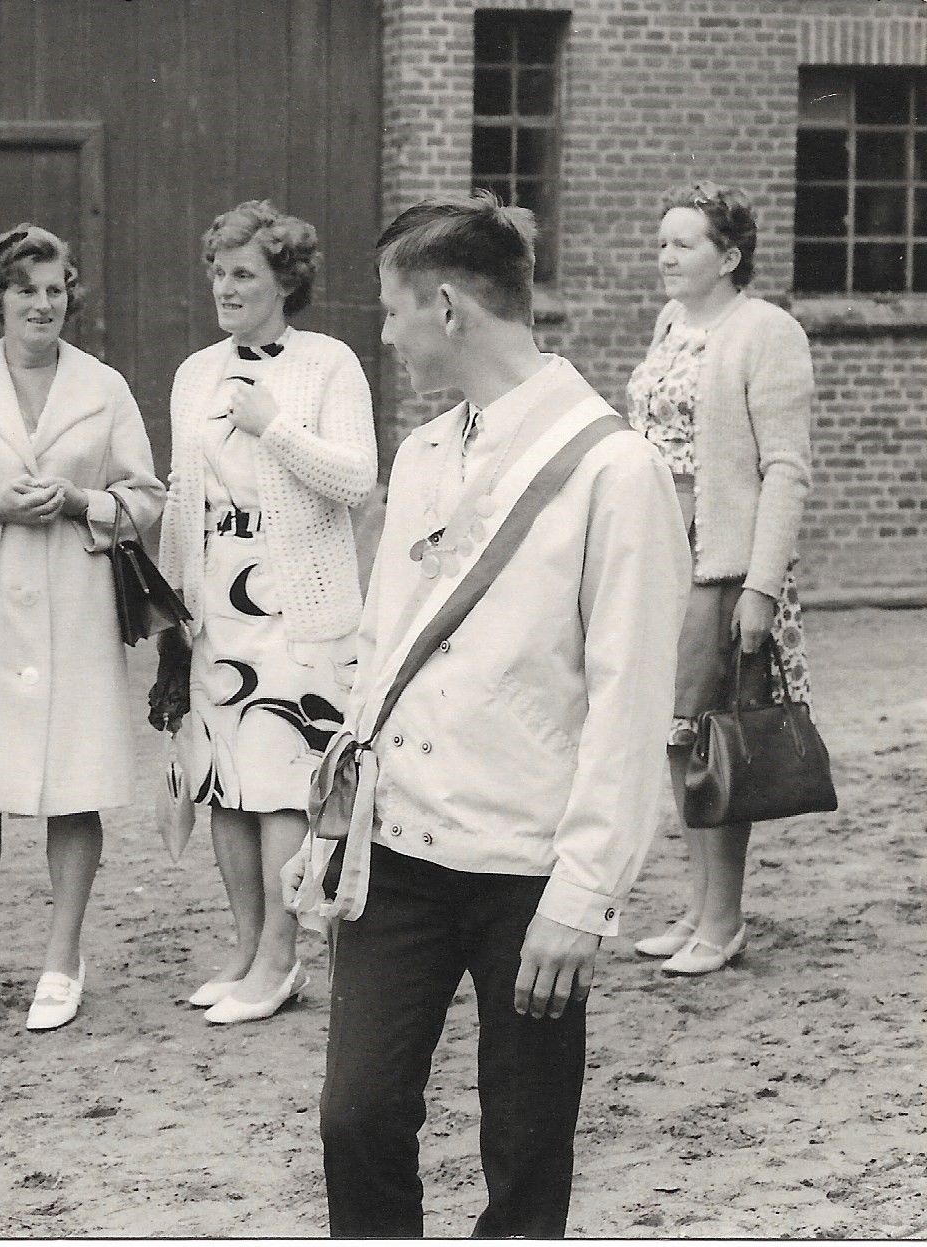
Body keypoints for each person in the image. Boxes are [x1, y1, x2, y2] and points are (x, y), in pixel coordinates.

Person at [286, 193, 690, 1236]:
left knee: (524, 1147)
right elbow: (385, 651)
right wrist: (337, 815)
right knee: (357, 1115)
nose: (384, 333)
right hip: (402, 844)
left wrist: (586, 891)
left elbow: (630, 701)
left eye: (390, 310)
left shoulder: (615, 469)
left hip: (531, 865)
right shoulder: (422, 457)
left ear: (451, 307)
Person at [0, 223, 164, 1033]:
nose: (42, 305)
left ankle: (60, 957)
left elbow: (146, 495)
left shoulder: (105, 386)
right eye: (25, 290)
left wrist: (86, 502)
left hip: (72, 605)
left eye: (54, 289)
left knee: (72, 786)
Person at [156, 200, 378, 1025]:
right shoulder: (195, 373)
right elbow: (185, 498)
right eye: (218, 271)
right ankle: (246, 947)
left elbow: (357, 479)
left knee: (285, 782)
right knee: (224, 779)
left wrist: (275, 426)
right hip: (218, 602)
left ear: (286, 280)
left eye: (243, 272)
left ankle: (283, 960)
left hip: (298, 604)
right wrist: (175, 602)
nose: (225, 286)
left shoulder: (327, 366)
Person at [626, 182, 817, 977]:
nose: (665, 255)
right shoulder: (673, 324)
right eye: (662, 241)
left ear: (730, 257)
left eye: (684, 244)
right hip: (660, 554)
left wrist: (759, 587)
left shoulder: (767, 332)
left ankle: (725, 918)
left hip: (722, 563)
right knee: (675, 737)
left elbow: (787, 470)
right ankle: (699, 903)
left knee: (717, 740)